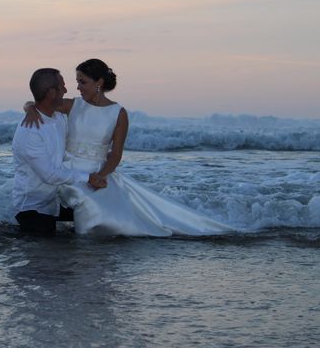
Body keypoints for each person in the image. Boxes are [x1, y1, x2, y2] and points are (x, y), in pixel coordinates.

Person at [23, 59, 234, 236]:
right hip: (69, 169)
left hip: (99, 171)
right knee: (83, 196)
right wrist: (29, 108)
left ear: (99, 82)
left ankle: (87, 248)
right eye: (77, 82)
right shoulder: (73, 105)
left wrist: (101, 176)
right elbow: (42, 102)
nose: (77, 87)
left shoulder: (118, 113)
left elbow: (115, 155)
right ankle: (80, 238)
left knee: (111, 204)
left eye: (82, 82)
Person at [12, 68, 106, 235]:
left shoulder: (59, 117)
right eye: (62, 85)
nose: (66, 90)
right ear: (51, 92)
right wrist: (88, 178)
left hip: (56, 199)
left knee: (101, 216)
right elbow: (49, 175)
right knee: (51, 252)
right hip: (33, 208)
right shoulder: (30, 130)